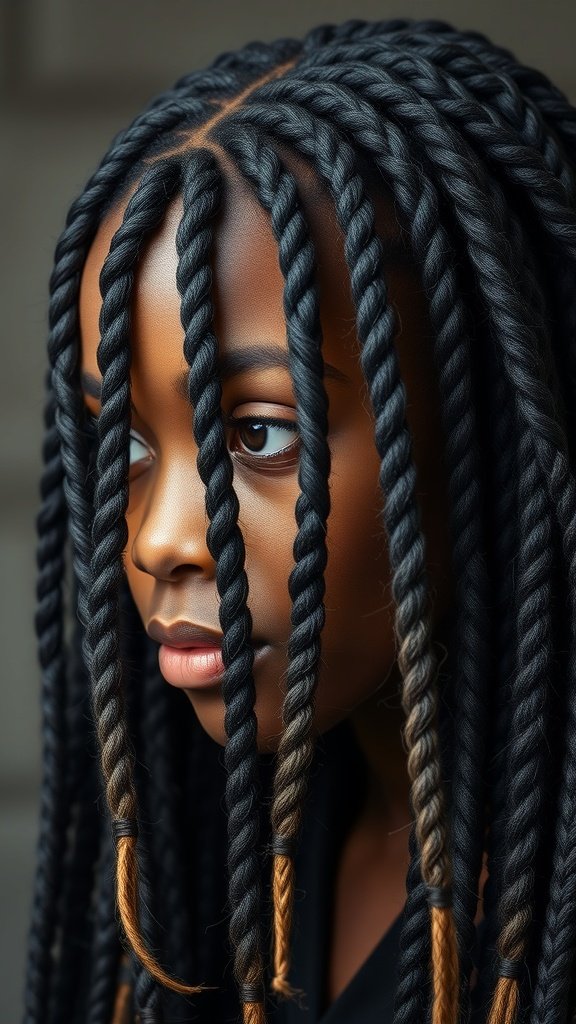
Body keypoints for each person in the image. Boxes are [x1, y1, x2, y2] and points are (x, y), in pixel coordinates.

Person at [22, 16, 576, 1024]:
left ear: (495, 421)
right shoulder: (209, 862)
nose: (158, 540)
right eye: (128, 446)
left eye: (263, 435)